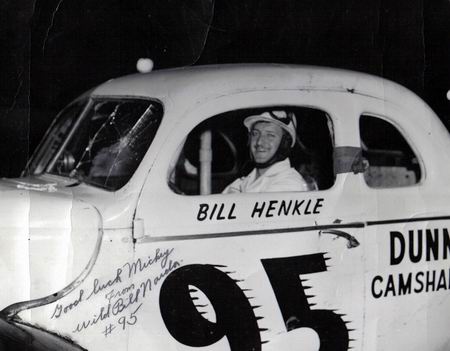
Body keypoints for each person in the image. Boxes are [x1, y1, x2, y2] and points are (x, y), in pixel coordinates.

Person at [222, 110, 309, 193]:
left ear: (285, 144)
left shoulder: (290, 183)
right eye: (255, 134)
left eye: (270, 135)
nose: (259, 142)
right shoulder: (241, 182)